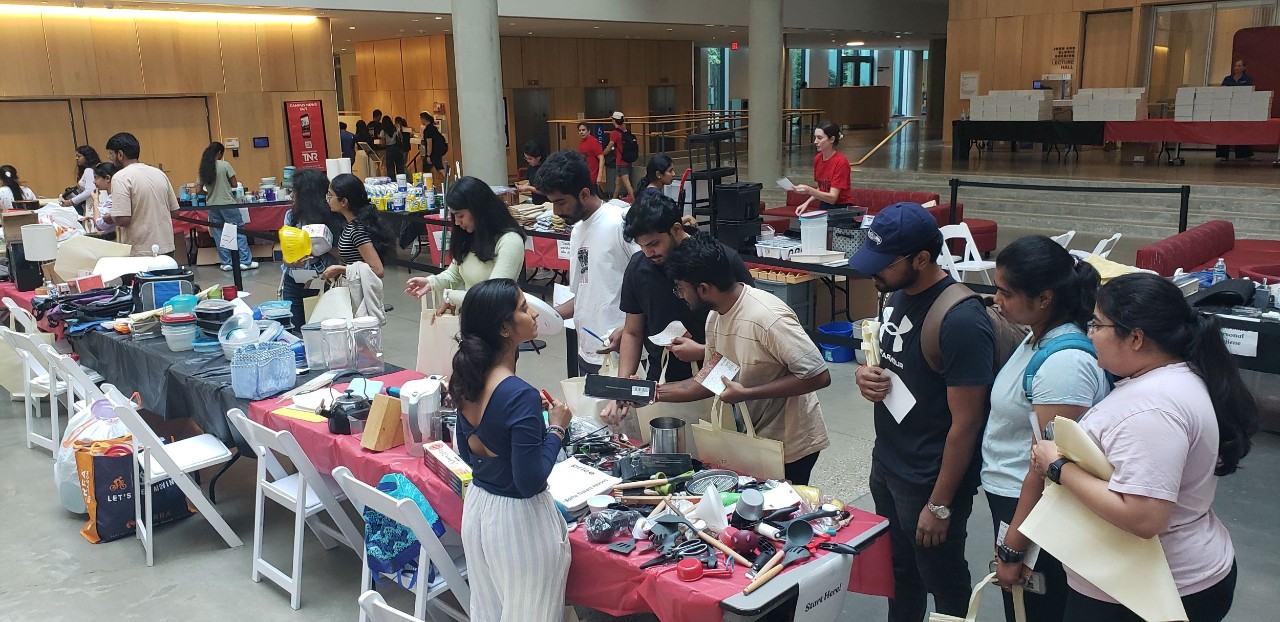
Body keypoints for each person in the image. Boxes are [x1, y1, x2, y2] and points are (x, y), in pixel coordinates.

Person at [1030, 272, 1257, 622]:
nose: (1089, 334)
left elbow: (1144, 516)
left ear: (1135, 337)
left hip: (1145, 591)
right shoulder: (1168, 377)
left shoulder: (1152, 410)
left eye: (1097, 325)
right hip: (1139, 579)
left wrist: (1058, 467)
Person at [850, 202, 995, 622]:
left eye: (882, 263)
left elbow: (967, 423)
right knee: (899, 571)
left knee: (943, 578)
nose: (871, 272)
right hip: (890, 461)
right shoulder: (895, 291)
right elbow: (892, 362)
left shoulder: (962, 320)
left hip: (929, 478)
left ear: (922, 259)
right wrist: (866, 376)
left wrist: (941, 504)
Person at [981, 236, 1109, 622]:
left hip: (1034, 510)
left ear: (1045, 298)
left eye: (1006, 292)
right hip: (1013, 499)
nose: (995, 299)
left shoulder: (1064, 366)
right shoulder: (1036, 338)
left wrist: (1014, 548)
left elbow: (1049, 470)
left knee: (1033, 612)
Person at [654, 235, 831, 485]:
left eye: (681, 288)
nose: (680, 295)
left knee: (782, 512)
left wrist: (747, 393)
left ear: (704, 288)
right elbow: (710, 380)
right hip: (755, 437)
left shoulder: (766, 317)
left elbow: (819, 375)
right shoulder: (716, 317)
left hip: (791, 442)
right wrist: (650, 393)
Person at [450, 278, 572, 621]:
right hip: (519, 524)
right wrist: (557, 428)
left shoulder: (467, 375)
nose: (534, 312)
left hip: (478, 509)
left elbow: (467, 448)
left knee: (489, 611)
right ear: (505, 329)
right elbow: (530, 480)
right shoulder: (519, 394)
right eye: (523, 308)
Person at [614, 191, 753, 386]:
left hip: (720, 380)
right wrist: (623, 387)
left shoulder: (720, 260)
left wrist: (704, 351)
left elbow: (748, 331)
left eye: (654, 243)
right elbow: (632, 331)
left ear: (676, 229)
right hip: (661, 377)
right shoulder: (638, 267)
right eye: (641, 246)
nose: (648, 253)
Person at [540, 150, 636, 374]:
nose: (556, 211)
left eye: (561, 202)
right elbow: (583, 294)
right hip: (588, 350)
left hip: (622, 352)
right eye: (552, 202)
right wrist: (543, 314)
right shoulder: (577, 230)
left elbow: (653, 283)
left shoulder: (620, 222)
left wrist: (629, 329)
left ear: (584, 193)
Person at [404, 175, 527, 311]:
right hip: (472, 320)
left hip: (498, 324)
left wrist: (450, 296)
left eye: (460, 215)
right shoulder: (470, 236)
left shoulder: (510, 241)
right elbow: (454, 274)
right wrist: (430, 282)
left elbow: (493, 297)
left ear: (478, 209)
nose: (457, 222)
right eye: (454, 216)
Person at [281, 168, 342, 328]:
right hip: (293, 281)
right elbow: (286, 257)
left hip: (324, 282)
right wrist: (293, 262)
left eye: (294, 191)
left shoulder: (334, 217)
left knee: (323, 329)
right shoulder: (291, 217)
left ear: (307, 194)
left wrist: (323, 245)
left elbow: (345, 255)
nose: (291, 195)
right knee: (295, 329)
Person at [102, 132, 179, 257]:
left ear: (120, 154)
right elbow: (175, 212)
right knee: (167, 277)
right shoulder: (159, 173)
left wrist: (110, 217)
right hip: (166, 247)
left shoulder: (120, 177)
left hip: (141, 251)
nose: (110, 158)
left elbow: (123, 219)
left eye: (111, 154)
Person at [197, 141, 257, 271]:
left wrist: (210, 193)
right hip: (228, 203)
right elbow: (235, 185)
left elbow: (198, 190)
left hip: (212, 206)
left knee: (219, 233)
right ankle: (245, 261)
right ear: (219, 153)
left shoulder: (204, 168)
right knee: (238, 231)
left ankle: (226, 262)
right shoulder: (225, 165)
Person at [320, 173, 391, 280]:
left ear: (344, 201)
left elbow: (378, 271)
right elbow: (351, 254)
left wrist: (341, 269)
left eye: (330, 195)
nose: (328, 199)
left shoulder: (357, 230)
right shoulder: (350, 224)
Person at [794, 121, 854, 213]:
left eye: (819, 138)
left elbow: (833, 198)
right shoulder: (818, 158)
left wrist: (809, 190)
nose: (815, 141)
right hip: (824, 204)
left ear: (832, 139)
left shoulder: (841, 162)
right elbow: (823, 188)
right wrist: (807, 202)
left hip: (841, 209)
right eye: (815, 137)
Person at [1216, 59, 1255, 162]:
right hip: (1227, 108)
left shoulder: (1247, 79)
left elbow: (1250, 92)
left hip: (1242, 108)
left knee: (1241, 130)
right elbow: (1222, 91)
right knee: (1225, 130)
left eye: (1239, 65)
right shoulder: (1227, 79)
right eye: (1235, 65)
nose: (1236, 67)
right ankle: (1223, 154)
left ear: (1244, 68)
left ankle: (1244, 153)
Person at [604, 111, 635, 200]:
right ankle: (613, 199)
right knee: (618, 182)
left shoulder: (615, 133)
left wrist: (602, 154)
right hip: (626, 159)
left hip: (620, 161)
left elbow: (609, 147)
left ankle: (635, 202)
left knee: (626, 183)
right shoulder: (625, 130)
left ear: (614, 120)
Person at [61, 146, 101, 213]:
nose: (76, 158)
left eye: (79, 156)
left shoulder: (89, 170)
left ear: (87, 157)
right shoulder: (96, 168)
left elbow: (90, 191)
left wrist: (71, 201)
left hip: (91, 204)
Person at [576, 122, 605, 196]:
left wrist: (599, 175)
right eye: (580, 130)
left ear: (588, 131)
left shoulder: (593, 142)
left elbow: (601, 158)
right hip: (585, 175)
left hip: (593, 176)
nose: (581, 132)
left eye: (583, 130)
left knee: (595, 197)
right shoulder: (581, 143)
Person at [90, 162, 118, 236]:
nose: (94, 181)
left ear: (107, 178)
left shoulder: (113, 198)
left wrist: (95, 200)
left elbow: (100, 225)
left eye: (96, 177)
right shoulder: (111, 196)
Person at [419, 112, 449, 176]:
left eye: (421, 119)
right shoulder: (433, 128)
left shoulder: (427, 130)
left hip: (433, 152)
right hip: (438, 150)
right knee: (438, 167)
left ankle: (447, 181)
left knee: (430, 169)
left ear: (424, 119)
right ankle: (447, 180)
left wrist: (428, 155)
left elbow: (429, 143)